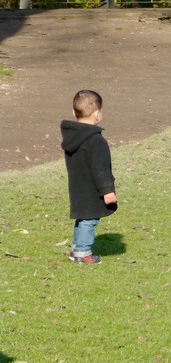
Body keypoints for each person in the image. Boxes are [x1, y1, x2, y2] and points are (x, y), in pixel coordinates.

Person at [61, 90, 117, 264]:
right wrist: (108, 190)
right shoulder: (95, 141)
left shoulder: (72, 138)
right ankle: (83, 252)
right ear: (97, 114)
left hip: (78, 186)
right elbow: (101, 168)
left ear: (74, 113)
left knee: (83, 217)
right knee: (89, 220)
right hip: (91, 187)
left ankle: (77, 247)